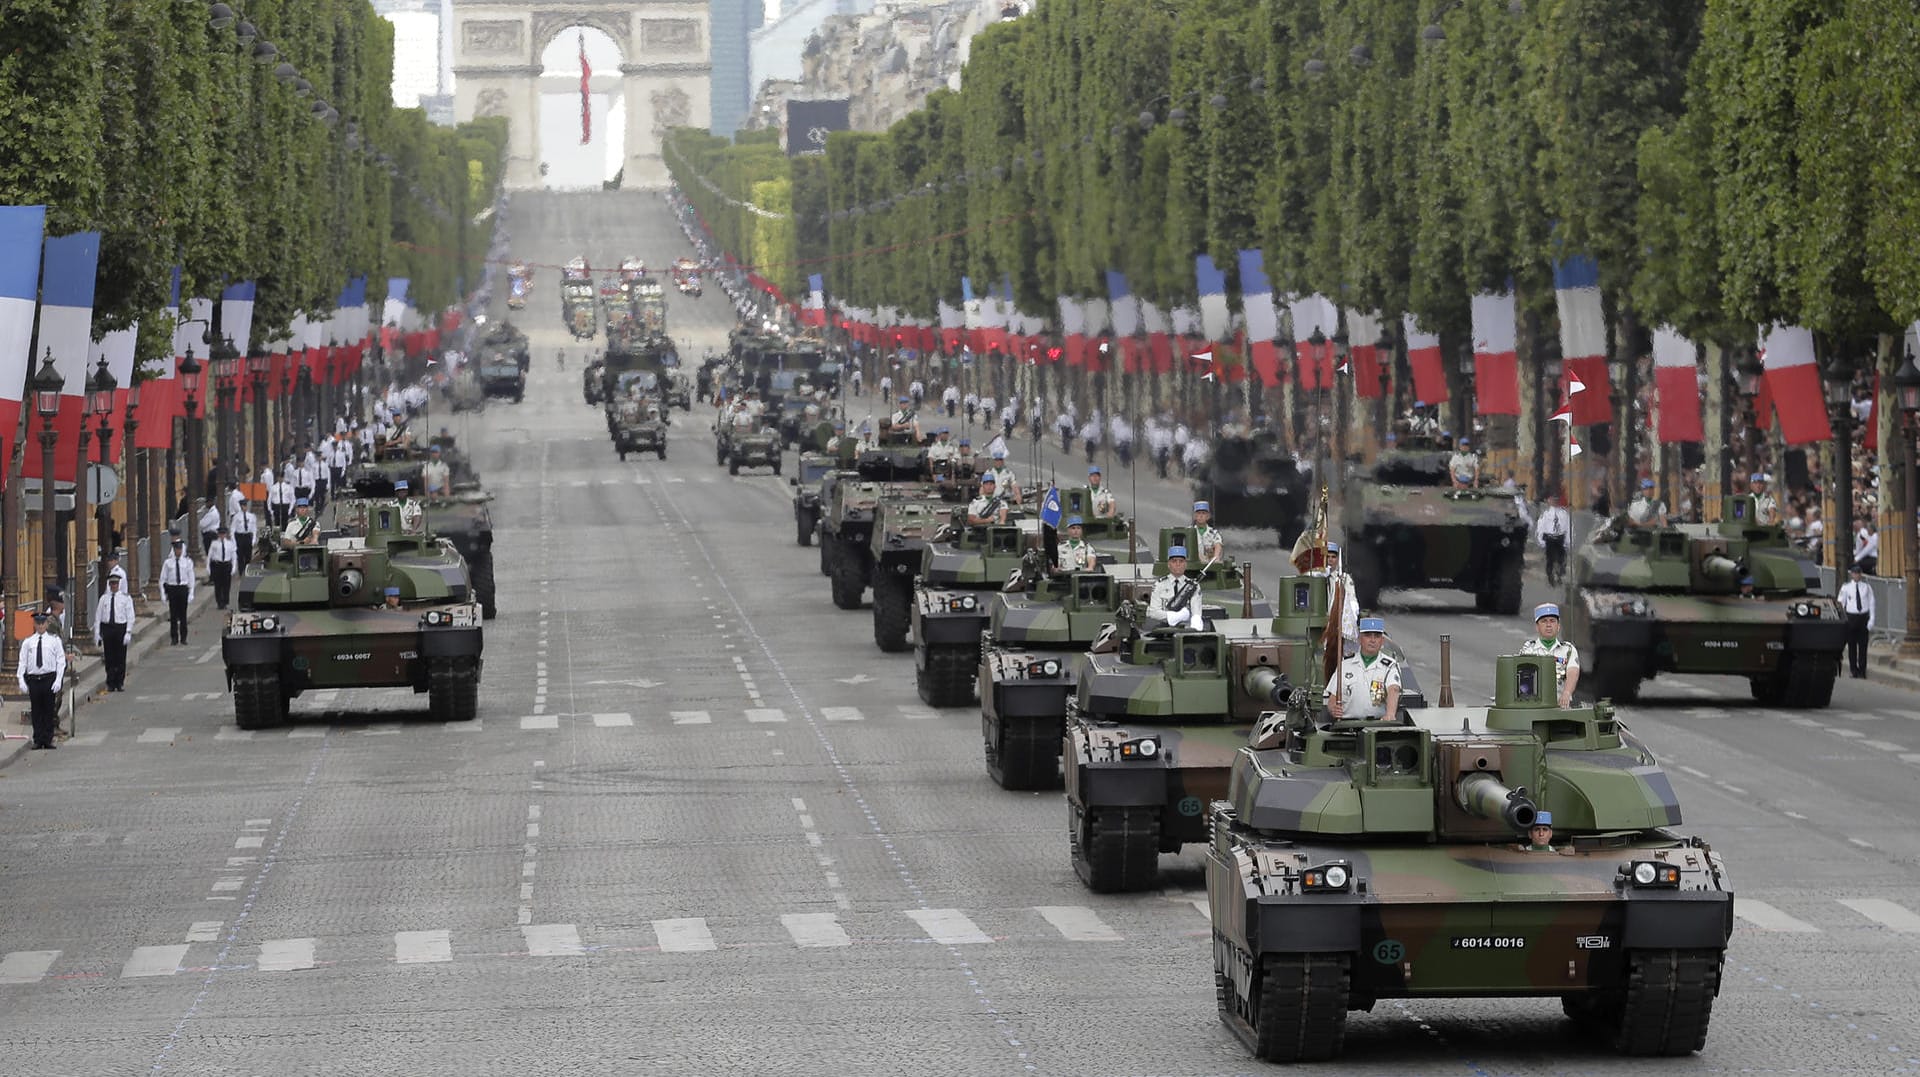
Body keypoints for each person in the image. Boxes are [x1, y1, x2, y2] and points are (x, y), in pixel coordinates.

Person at [1325, 617, 1401, 720]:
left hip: (1377, 727)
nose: (1372, 640)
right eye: (1368, 635)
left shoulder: (1389, 666)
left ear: (1382, 640)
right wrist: (1333, 709)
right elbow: (1333, 698)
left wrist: (1390, 714)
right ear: (1360, 639)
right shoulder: (1345, 665)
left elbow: (1393, 689)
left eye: (1377, 636)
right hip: (1348, 726)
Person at [1519, 603, 1581, 706]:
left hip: (1561, 704)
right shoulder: (1529, 649)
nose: (1549, 625)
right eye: (1544, 621)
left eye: (1552, 621)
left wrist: (1566, 693)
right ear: (1537, 627)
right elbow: (1524, 680)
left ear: (1558, 625)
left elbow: (1573, 673)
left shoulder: (1568, 650)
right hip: (1535, 704)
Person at [19, 612, 65, 749]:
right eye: (37, 623)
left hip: (48, 678)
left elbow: (60, 660)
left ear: (47, 624)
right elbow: (23, 662)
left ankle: (48, 738)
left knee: (48, 709)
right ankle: (38, 738)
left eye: (42, 623)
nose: (40, 626)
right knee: (37, 710)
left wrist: (58, 679)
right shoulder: (28, 642)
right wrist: (21, 679)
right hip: (34, 679)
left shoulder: (54, 640)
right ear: (34, 624)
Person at [92, 574, 136, 692]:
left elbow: (130, 616)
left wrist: (128, 632)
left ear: (119, 584)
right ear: (109, 585)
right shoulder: (104, 599)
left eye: (116, 583)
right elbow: (98, 616)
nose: (114, 586)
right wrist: (97, 633)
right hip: (108, 628)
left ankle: (119, 682)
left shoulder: (125, 598)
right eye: (112, 584)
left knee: (120, 657)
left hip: (120, 628)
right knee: (109, 657)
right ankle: (110, 682)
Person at [1146, 545, 1205, 629]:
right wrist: (1174, 616)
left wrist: (1196, 620)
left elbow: (1196, 610)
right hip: (1164, 628)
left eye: (1181, 561)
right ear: (1169, 564)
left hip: (1186, 628)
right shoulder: (1159, 585)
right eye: (1174, 561)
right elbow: (1154, 612)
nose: (1178, 564)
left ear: (1185, 564)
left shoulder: (1193, 586)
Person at [1839, 563, 1875, 679]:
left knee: (1863, 646)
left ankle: (1862, 670)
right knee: (1852, 646)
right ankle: (1853, 669)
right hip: (1851, 617)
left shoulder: (1866, 587)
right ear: (1851, 574)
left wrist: (1871, 619)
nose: (1857, 575)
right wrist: (1843, 619)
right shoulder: (1846, 587)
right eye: (1855, 573)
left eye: (1859, 573)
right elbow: (1841, 603)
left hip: (1863, 617)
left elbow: (1872, 603)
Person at [160, 537, 197, 645]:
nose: (178, 551)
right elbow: (163, 578)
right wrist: (163, 593)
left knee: (183, 615)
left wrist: (191, 592)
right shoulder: (168, 563)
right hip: (172, 589)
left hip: (182, 588)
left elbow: (191, 577)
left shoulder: (187, 562)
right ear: (174, 549)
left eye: (180, 549)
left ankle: (184, 637)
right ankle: (174, 637)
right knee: (173, 615)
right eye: (176, 549)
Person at [1535, 494, 1571, 585]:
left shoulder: (1564, 513)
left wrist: (1568, 540)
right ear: (1549, 501)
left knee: (1561, 558)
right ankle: (1550, 575)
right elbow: (1541, 526)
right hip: (1549, 538)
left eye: (1556, 500)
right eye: (1552, 500)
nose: (1554, 502)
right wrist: (1541, 539)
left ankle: (1559, 574)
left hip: (1560, 538)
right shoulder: (1546, 513)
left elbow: (1568, 527)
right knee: (1550, 559)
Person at [207, 526, 239, 610]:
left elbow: (233, 556)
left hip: (226, 565)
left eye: (223, 534)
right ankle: (219, 602)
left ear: (225, 534)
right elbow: (209, 556)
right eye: (220, 534)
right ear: (218, 534)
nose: (222, 535)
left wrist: (234, 567)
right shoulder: (214, 543)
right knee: (218, 585)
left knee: (226, 585)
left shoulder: (230, 543)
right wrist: (208, 568)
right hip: (217, 565)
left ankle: (225, 601)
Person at [232, 497, 259, 567]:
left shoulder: (251, 516)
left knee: (248, 556)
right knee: (240, 556)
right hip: (240, 536)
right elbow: (232, 529)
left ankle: (247, 571)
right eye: (243, 506)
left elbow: (254, 528)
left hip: (248, 536)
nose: (244, 507)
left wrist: (253, 539)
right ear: (241, 506)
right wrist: (234, 541)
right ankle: (241, 571)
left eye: (245, 505)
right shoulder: (236, 517)